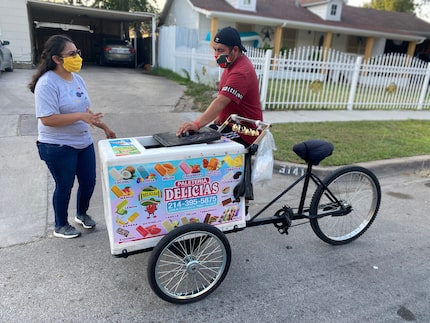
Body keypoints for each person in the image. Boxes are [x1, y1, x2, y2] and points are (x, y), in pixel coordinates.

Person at [28, 34, 116, 239]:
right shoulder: (47, 83)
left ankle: (81, 214)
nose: (77, 56)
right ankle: (60, 225)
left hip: (82, 142)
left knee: (88, 182)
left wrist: (104, 126)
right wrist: (79, 116)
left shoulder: (77, 79)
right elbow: (47, 119)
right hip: (57, 146)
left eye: (77, 52)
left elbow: (85, 111)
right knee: (65, 185)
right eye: (72, 54)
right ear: (56, 59)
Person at [177, 26, 263, 146]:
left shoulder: (241, 72)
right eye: (215, 49)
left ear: (235, 50)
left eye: (221, 50)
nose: (216, 55)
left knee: (201, 143)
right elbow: (226, 97)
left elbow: (221, 101)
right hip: (230, 124)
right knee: (194, 138)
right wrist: (220, 115)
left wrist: (196, 124)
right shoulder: (231, 64)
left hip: (246, 133)